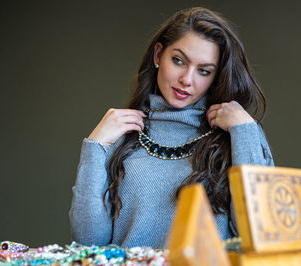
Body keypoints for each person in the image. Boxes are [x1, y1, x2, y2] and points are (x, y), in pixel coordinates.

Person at [69, 7, 274, 249]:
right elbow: (88, 242)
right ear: (158, 55)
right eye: (178, 61)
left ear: (216, 76)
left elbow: (259, 233)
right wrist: (95, 147)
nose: (187, 79)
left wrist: (245, 131)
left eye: (204, 71)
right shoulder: (121, 133)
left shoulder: (239, 134)